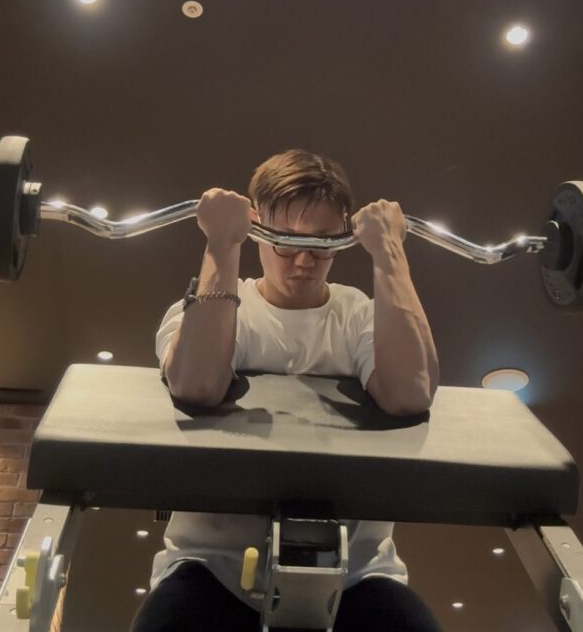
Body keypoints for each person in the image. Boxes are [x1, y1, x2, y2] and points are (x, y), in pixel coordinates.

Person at [130, 149, 442, 632]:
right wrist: (221, 244)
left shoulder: (358, 315)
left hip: (356, 576)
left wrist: (389, 251)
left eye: (322, 244)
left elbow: (410, 394)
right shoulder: (217, 308)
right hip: (214, 569)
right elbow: (197, 385)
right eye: (285, 241)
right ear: (256, 229)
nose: (303, 260)